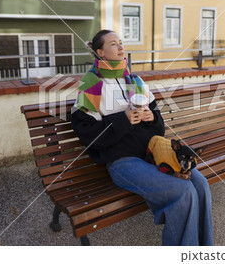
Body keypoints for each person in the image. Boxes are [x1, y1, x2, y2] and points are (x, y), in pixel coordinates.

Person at [70, 29, 214, 246]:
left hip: (152, 154)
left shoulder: (136, 81)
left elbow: (159, 128)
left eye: (121, 43)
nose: (121, 48)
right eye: (113, 44)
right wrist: (124, 119)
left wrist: (150, 116)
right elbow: (88, 134)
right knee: (183, 191)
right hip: (122, 162)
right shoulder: (91, 85)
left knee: (200, 184)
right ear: (100, 52)